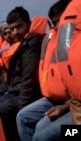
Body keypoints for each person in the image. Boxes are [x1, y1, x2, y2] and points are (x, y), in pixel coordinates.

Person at [16, 1, 72, 140]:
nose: (60, 26)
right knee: (23, 117)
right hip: (62, 99)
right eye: (55, 22)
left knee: (43, 135)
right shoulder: (54, 39)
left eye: (62, 20)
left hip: (73, 105)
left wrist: (66, 107)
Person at [0, 6, 44, 141]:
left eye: (19, 26)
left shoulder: (31, 44)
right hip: (13, 91)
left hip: (23, 94)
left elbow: (29, 79)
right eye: (12, 29)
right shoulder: (23, 43)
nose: (15, 32)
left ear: (29, 23)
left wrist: (22, 108)